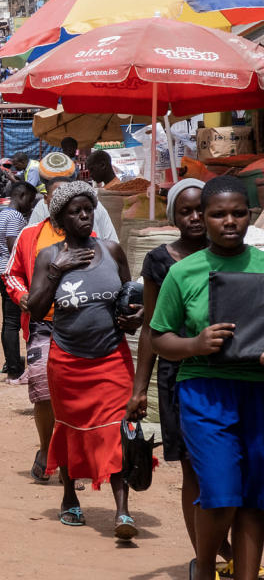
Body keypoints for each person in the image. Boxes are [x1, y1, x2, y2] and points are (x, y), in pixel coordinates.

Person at [150, 176, 264, 580]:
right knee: (219, 492)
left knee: (254, 498)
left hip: (258, 391)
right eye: (218, 214)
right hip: (204, 390)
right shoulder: (184, 273)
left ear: (250, 215)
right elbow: (158, 335)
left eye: (238, 213)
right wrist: (195, 344)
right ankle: (205, 568)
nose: (229, 221)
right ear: (204, 217)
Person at [124, 178, 234, 569]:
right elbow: (154, 329)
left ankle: (228, 548)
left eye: (196, 209)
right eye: (183, 211)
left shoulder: (231, 255)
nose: (192, 218)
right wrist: (139, 390)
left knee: (234, 467)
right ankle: (204, 555)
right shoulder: (160, 261)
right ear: (173, 215)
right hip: (178, 378)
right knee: (193, 467)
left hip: (229, 374)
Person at [27, 181, 142, 539]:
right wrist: (57, 270)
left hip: (111, 357)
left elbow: (129, 295)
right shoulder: (49, 256)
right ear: (60, 219)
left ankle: (122, 512)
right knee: (70, 429)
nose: (83, 215)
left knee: (118, 430)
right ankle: (68, 496)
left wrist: (135, 316)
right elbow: (34, 307)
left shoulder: (111, 250)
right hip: (68, 360)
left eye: (88, 209)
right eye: (75, 211)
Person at [3, 176, 77, 483]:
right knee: (44, 393)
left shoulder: (88, 236)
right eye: (55, 197)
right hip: (41, 325)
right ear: (47, 201)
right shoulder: (30, 235)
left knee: (72, 396)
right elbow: (10, 274)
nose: (61, 203)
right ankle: (46, 448)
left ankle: (69, 461)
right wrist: (23, 298)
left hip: (78, 327)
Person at [0, 182, 37, 380]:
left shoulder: (1, 214)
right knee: (13, 323)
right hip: (10, 272)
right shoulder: (16, 216)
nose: (31, 205)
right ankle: (14, 367)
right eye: (31, 199)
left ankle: (12, 363)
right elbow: (14, 245)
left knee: (8, 322)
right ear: (22, 195)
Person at [28, 152, 119, 242]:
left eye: (88, 210)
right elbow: (112, 241)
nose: (84, 216)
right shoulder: (92, 202)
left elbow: (31, 243)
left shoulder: (43, 206)